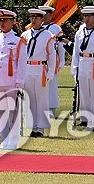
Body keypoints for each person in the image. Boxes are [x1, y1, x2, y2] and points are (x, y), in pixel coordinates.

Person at [0, 8, 26, 151]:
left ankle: (13, 140)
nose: (2, 23)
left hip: (11, 80)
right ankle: (4, 139)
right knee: (1, 111)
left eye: (5, 20)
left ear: (12, 22)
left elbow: (21, 64)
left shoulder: (19, 41)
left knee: (12, 112)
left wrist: (19, 82)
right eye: (0, 20)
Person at [71, 5, 94, 130]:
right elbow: (75, 52)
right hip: (82, 62)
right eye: (84, 16)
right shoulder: (80, 32)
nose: (86, 19)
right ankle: (85, 118)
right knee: (84, 93)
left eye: (89, 16)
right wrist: (74, 69)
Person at [21, 8, 55, 137]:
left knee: (41, 99)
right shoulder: (25, 35)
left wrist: (50, 72)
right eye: (32, 18)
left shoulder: (48, 35)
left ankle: (40, 128)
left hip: (41, 68)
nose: (33, 20)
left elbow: (52, 55)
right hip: (27, 68)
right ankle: (32, 126)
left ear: (42, 19)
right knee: (29, 99)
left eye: (36, 18)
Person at [39, 5, 64, 118]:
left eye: (46, 14)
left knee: (52, 85)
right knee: (40, 85)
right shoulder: (35, 27)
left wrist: (62, 61)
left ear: (50, 15)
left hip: (52, 60)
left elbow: (60, 46)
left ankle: (51, 109)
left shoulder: (56, 28)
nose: (44, 16)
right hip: (39, 60)